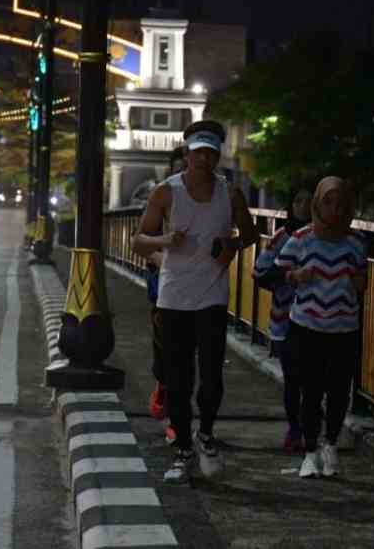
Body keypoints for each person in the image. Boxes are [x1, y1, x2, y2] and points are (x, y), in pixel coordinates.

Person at [132, 120, 259, 483]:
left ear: (217, 156)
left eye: (211, 153)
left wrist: (231, 246)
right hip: (173, 296)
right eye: (198, 152)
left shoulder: (229, 193)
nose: (204, 158)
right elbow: (140, 240)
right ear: (187, 153)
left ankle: (206, 435)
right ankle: (184, 448)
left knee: (212, 375)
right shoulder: (165, 192)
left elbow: (250, 233)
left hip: (213, 295)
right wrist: (166, 240)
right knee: (177, 377)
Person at [274, 176, 367, 479]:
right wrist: (296, 276)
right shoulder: (301, 238)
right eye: (328, 201)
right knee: (310, 391)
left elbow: (362, 280)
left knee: (340, 391)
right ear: (317, 203)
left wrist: (358, 282)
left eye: (340, 203)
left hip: (344, 328)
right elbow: (278, 271)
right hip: (307, 327)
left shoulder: (356, 243)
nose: (334, 209)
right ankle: (310, 451)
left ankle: (331, 445)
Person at [253, 185, 313, 453]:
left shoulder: (329, 238)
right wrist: (289, 277)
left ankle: (311, 429)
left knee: (314, 380)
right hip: (286, 320)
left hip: (317, 320)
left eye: (310, 202)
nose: (303, 206)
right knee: (293, 379)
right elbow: (260, 273)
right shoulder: (282, 237)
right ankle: (295, 428)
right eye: (298, 199)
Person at [143, 146, 187, 445]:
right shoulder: (162, 200)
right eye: (179, 168)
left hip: (198, 290)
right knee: (167, 355)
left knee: (189, 359)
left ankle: (180, 421)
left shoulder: (209, 200)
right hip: (164, 287)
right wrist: (166, 260)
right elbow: (143, 243)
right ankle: (167, 398)